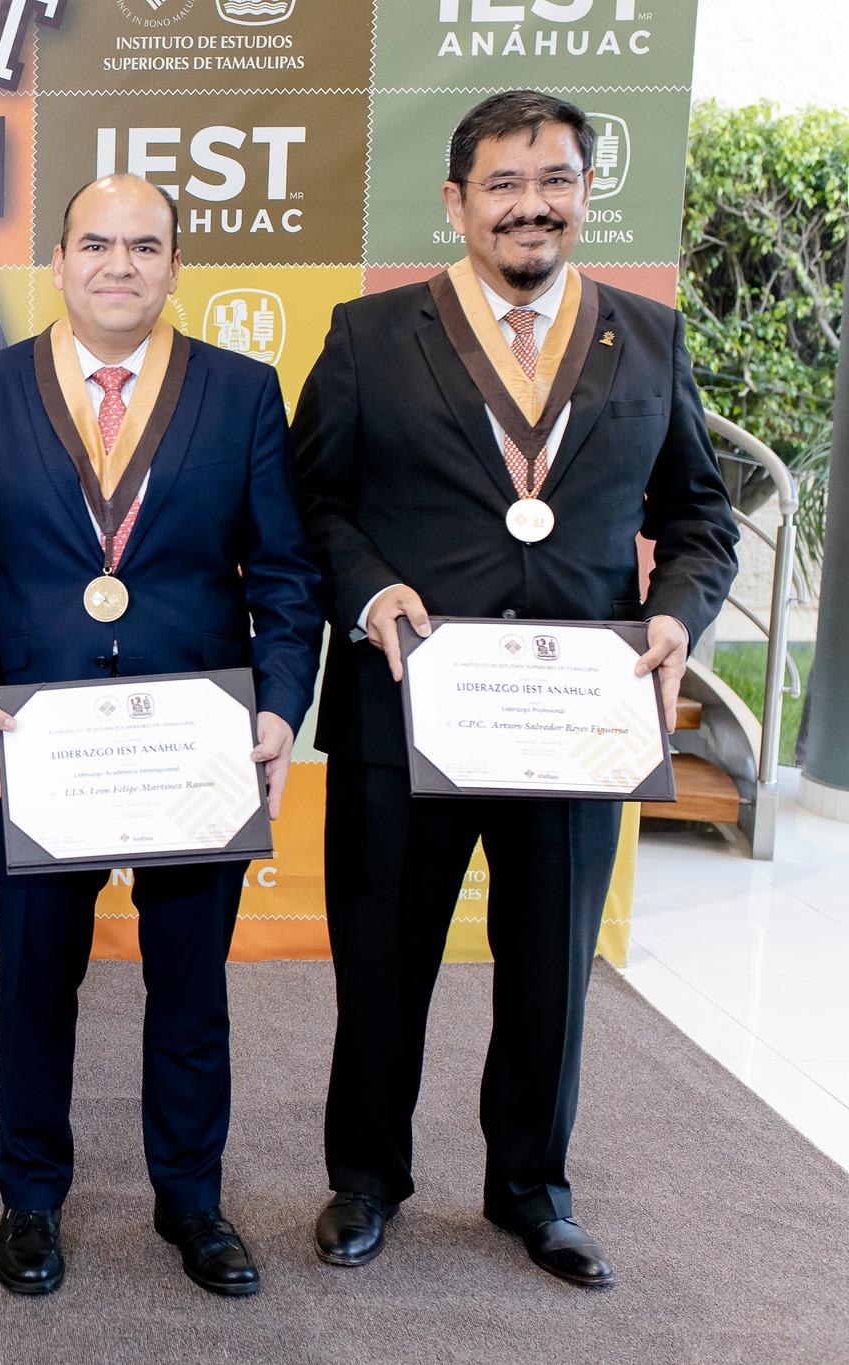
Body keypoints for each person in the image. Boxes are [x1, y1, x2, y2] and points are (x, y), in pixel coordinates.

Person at [291, 90, 738, 1288]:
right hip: (406, 702)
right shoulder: (367, 335)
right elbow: (311, 503)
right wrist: (370, 586)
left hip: (576, 723)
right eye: (501, 185)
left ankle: (531, 1190)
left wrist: (671, 615)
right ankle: (365, 1179)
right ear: (455, 202)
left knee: (549, 966)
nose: (528, 207)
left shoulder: (645, 338)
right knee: (381, 960)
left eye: (553, 183)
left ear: (585, 194)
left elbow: (698, 517)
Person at [0, 174, 323, 1298]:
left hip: (195, 752)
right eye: (95, 243)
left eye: (143, 246)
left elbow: (284, 571)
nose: (118, 265)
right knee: (34, 988)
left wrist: (279, 707)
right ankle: (30, 1200)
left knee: (190, 992)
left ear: (173, 266)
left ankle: (191, 1201)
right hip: (38, 749)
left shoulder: (238, 394)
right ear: (57, 260)